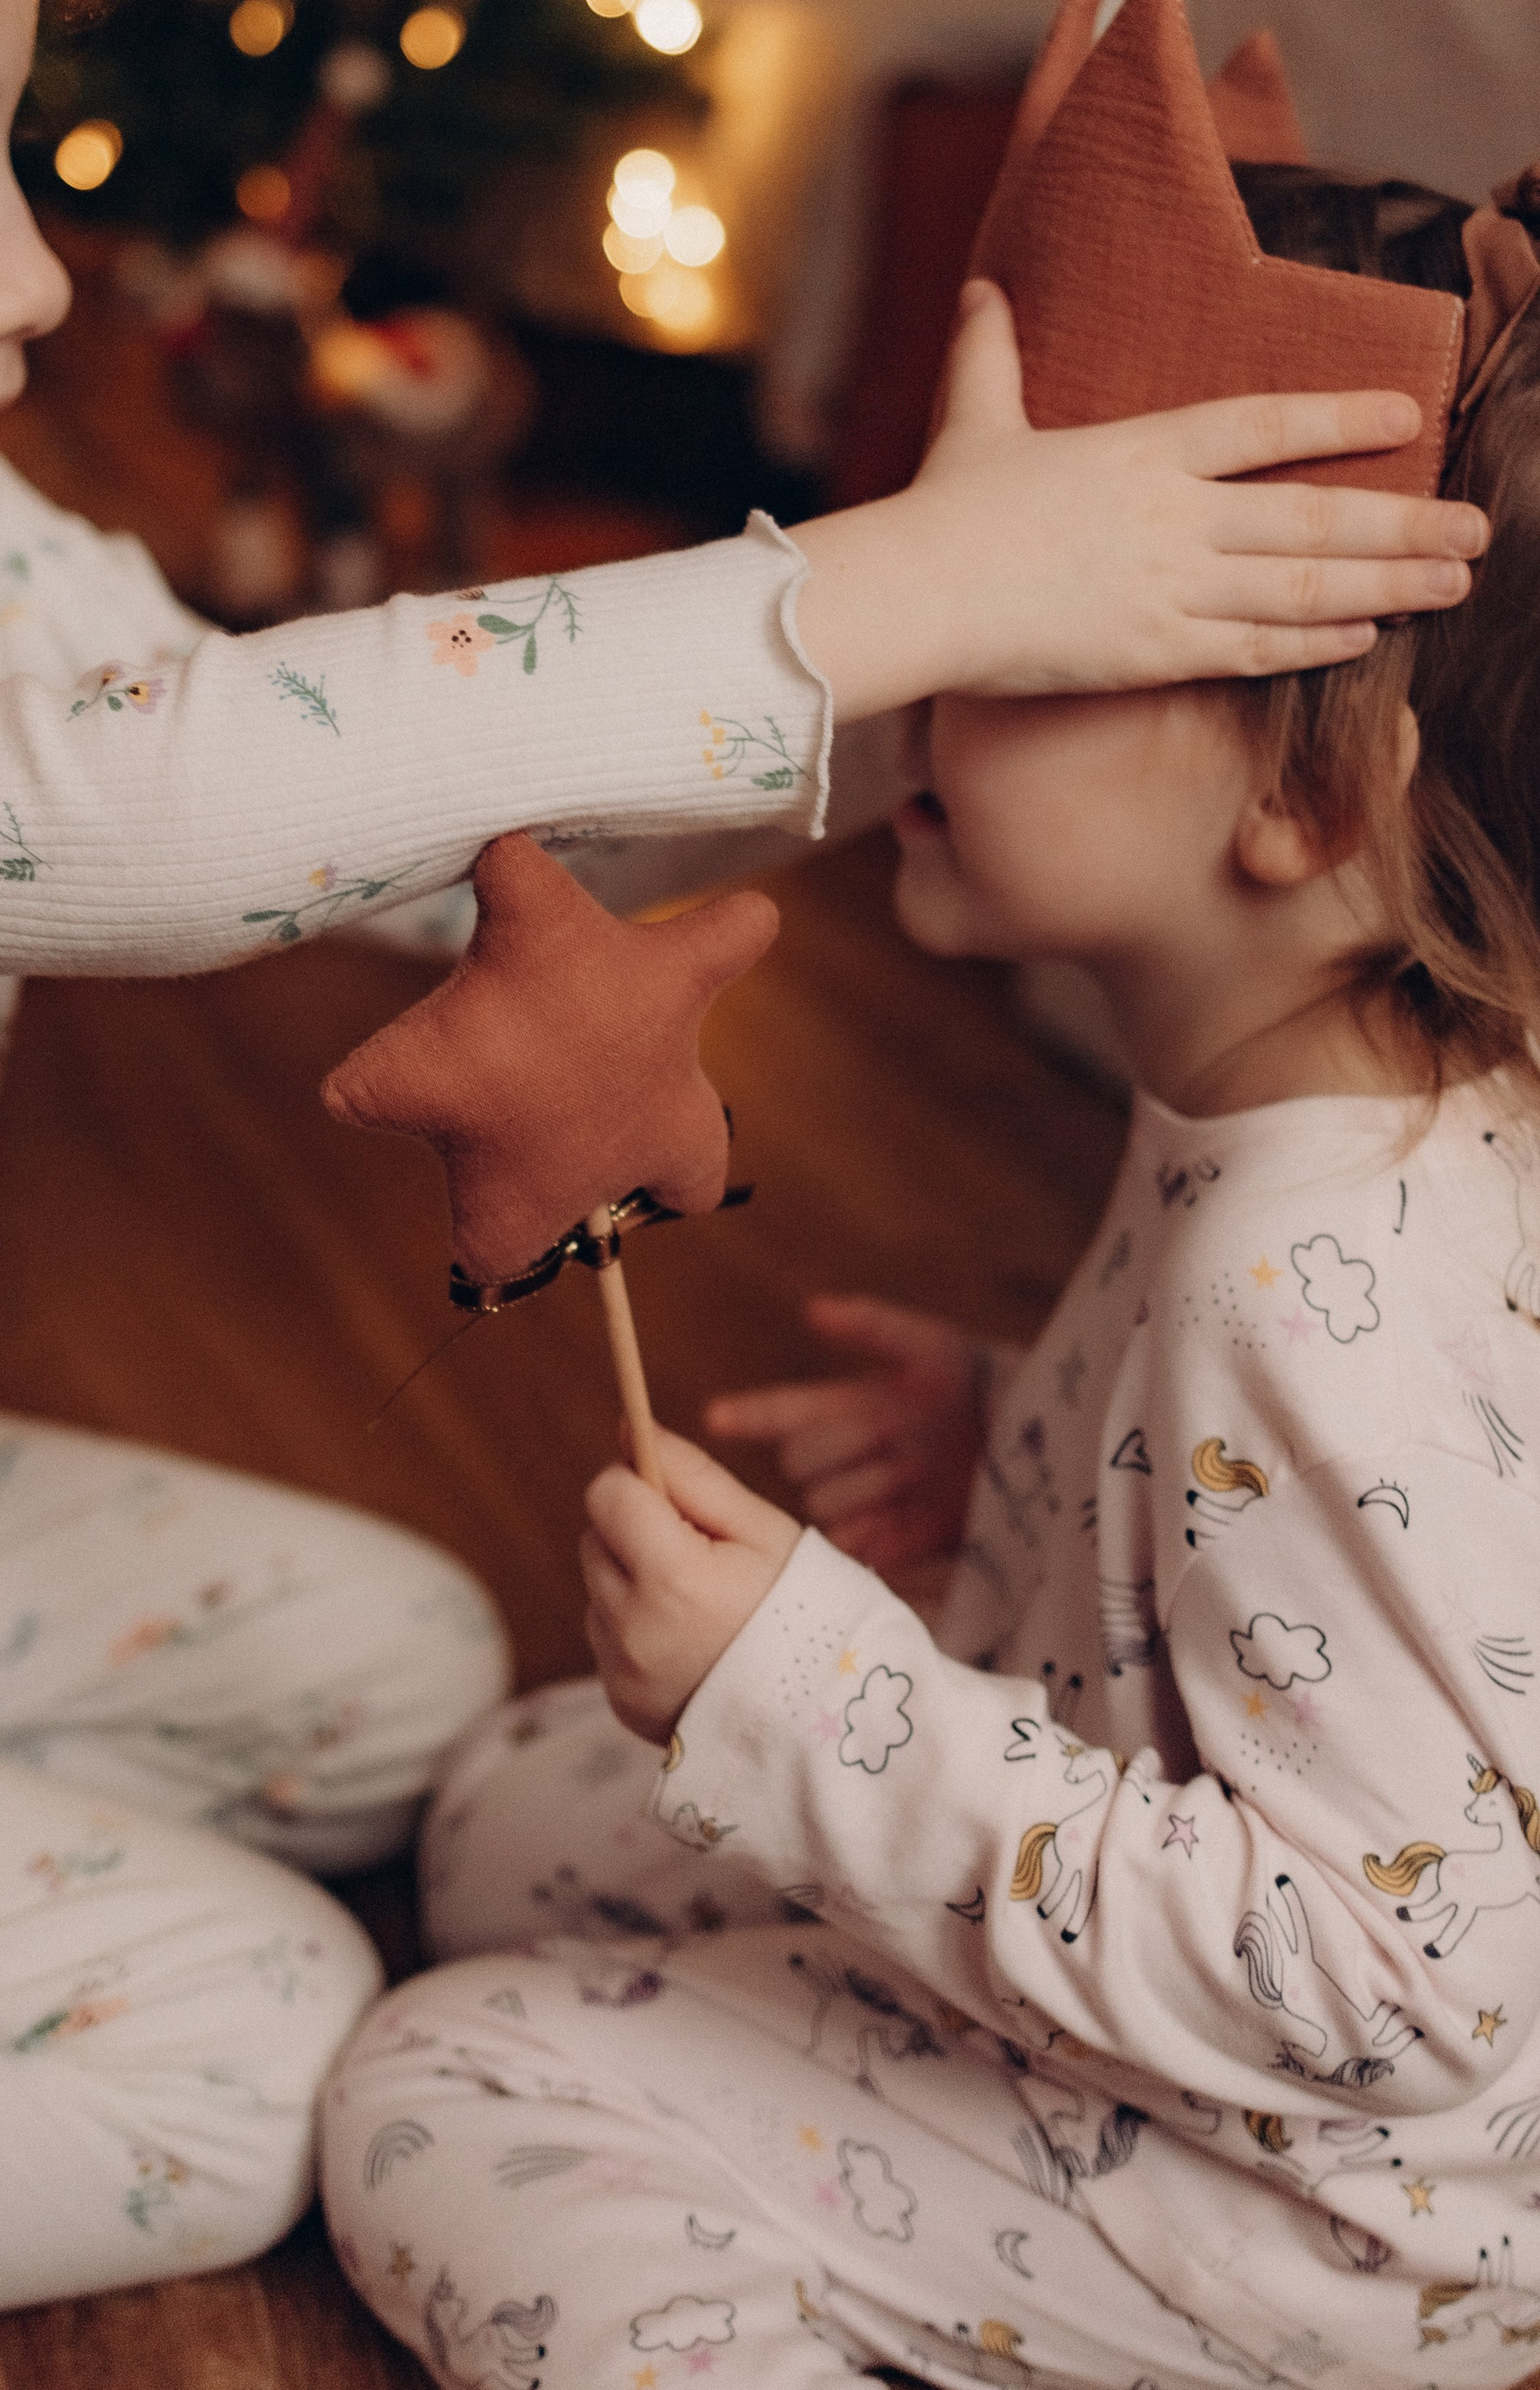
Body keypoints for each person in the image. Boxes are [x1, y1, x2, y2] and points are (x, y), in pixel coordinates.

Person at [0, 0, 1482, 2385]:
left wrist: (979, 687)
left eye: (10, 160)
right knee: (247, 2031)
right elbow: (133, 814)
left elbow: (397, 820)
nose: (31, 274)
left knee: (405, 1679)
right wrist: (877, 597)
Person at [320, 158, 1540, 2390]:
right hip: (1289, 2053)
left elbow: (1398, 1990)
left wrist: (812, 1699)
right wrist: (1026, 1450)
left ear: (1313, 791)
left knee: (448, 2083)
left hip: (1320, 2221)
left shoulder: (1303, 1292)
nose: (923, 651)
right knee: (511, 1810)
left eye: (1032, 612)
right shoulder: (1336, 1116)